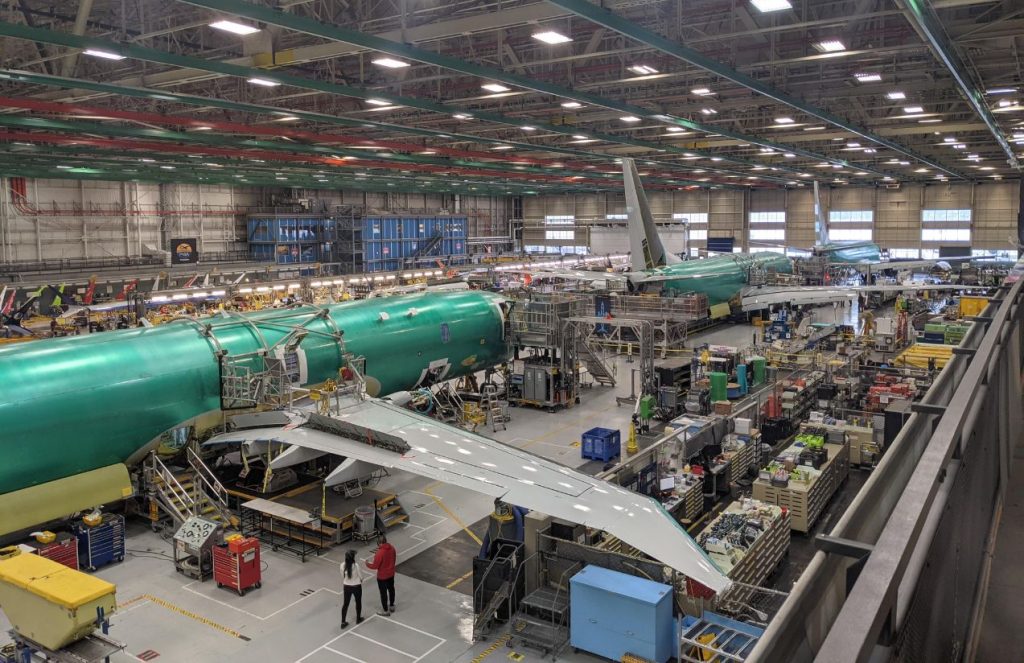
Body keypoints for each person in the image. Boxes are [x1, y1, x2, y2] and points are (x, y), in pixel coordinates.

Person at [366, 535, 397, 616]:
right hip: (391, 574)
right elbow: (394, 559)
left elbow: (375, 566)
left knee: (383, 593)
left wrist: (367, 564)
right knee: (391, 589)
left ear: (379, 543)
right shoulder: (392, 548)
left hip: (382, 577)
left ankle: (386, 611)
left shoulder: (379, 553)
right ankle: (392, 606)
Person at [340, 549, 364, 629]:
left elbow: (342, 576)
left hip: (347, 587)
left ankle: (343, 622)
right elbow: (361, 576)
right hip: (356, 586)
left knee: (345, 604)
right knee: (358, 602)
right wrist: (360, 580)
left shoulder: (342, 565)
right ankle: (358, 618)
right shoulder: (356, 566)